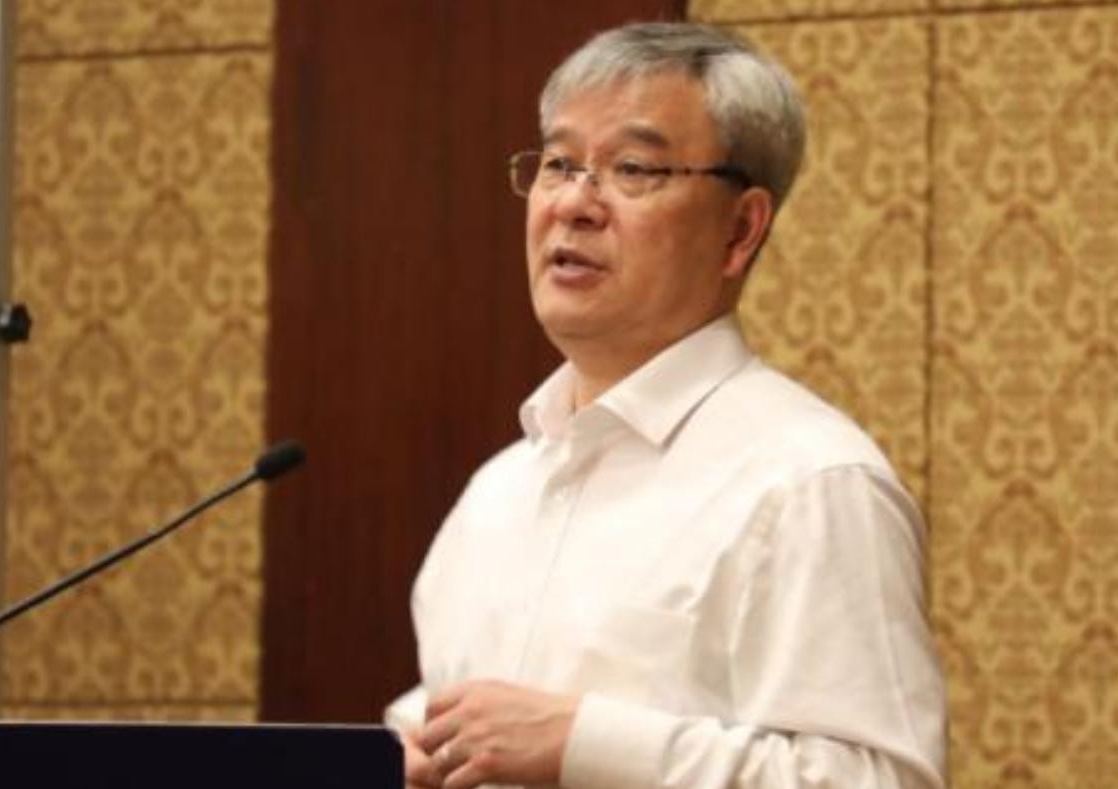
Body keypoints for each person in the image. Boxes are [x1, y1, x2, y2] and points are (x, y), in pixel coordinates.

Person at [386, 21, 947, 789]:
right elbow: (453, 719)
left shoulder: (810, 484)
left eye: (632, 169)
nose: (573, 203)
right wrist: (402, 751)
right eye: (558, 163)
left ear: (739, 230)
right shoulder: (499, 490)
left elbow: (878, 779)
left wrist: (583, 742)